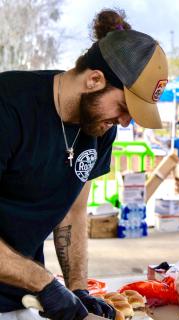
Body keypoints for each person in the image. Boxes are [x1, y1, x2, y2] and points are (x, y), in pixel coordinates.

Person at [0, 9, 168, 320]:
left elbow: (73, 208)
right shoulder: (9, 106)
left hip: (18, 296)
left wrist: (78, 289)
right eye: (123, 107)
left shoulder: (100, 128)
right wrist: (47, 283)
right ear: (93, 80)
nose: (125, 121)